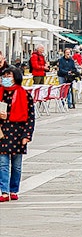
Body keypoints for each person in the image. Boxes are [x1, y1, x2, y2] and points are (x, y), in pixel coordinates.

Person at [0, 66, 34, 202]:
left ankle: (14, 190)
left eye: (9, 76)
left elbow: (31, 116)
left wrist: (27, 135)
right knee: (2, 164)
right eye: (4, 76)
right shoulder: (1, 93)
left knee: (17, 165)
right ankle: (4, 191)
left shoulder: (24, 94)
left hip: (18, 133)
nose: (6, 79)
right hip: (2, 132)